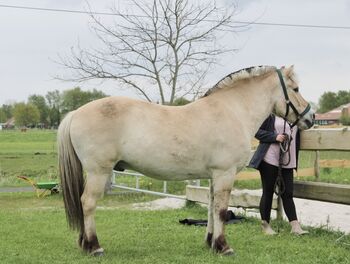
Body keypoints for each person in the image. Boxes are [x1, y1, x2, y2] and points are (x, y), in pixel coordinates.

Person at [249, 114, 308, 235]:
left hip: (287, 159)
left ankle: (295, 226)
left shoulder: (295, 117)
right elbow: (256, 131)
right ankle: (265, 225)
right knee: (268, 191)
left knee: (288, 193)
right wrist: (274, 136)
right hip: (269, 157)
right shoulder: (270, 115)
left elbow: (306, 124)